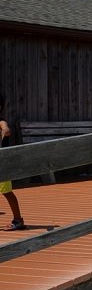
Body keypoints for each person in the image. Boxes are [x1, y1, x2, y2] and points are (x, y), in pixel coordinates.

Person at [0, 95, 26, 231]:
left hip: (2, 163)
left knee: (7, 192)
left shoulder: (1, 121)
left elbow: (6, 129)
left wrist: (5, 131)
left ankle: (18, 220)